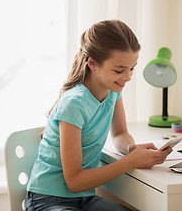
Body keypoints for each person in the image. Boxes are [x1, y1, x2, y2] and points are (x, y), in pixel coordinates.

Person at [25, 20, 172, 211]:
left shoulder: (113, 90)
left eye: (132, 68)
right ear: (92, 64)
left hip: (85, 199)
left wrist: (131, 149)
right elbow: (74, 182)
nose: (127, 77)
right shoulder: (74, 104)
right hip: (48, 199)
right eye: (119, 70)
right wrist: (130, 162)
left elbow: (119, 134)